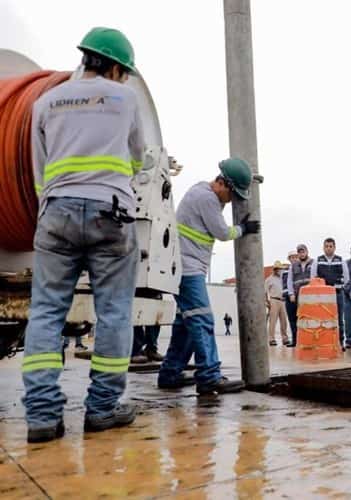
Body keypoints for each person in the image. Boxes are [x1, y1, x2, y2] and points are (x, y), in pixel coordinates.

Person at [23, 27, 143, 443]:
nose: (123, 79)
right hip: (112, 214)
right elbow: (140, 157)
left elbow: (40, 166)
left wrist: (52, 205)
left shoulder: (45, 102)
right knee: (114, 314)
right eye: (122, 72)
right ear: (113, 67)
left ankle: (41, 417)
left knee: (45, 314)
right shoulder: (126, 98)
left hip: (55, 211)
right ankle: (103, 409)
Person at [158, 158, 260, 394]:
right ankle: (209, 377)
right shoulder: (207, 198)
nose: (231, 201)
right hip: (189, 269)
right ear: (222, 184)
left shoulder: (201, 191)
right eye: (233, 194)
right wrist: (243, 229)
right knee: (202, 320)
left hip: (185, 267)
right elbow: (223, 232)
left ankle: (170, 373)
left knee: (186, 324)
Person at [311, 238, 346, 347]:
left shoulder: (340, 260)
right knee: (322, 319)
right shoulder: (317, 260)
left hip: (338, 294)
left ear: (334, 247)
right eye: (326, 246)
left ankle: (340, 342)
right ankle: (324, 342)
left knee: (339, 319)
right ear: (323, 247)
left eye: (331, 246)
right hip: (323, 296)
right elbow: (313, 277)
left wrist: (340, 287)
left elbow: (347, 277)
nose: (328, 248)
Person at [287, 244, 313, 347]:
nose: (301, 254)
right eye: (299, 252)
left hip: (310, 296)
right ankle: (297, 340)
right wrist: (291, 293)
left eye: (303, 251)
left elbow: (315, 277)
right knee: (299, 319)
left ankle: (310, 340)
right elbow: (290, 281)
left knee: (310, 319)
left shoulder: (313, 263)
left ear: (307, 251)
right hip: (298, 296)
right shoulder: (293, 266)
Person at [265, 261, 289, 346]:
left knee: (284, 321)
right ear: (275, 269)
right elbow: (264, 292)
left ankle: (285, 338)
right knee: (273, 321)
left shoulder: (284, 278)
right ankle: (272, 339)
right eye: (279, 269)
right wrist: (267, 302)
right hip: (274, 300)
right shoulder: (269, 279)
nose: (280, 270)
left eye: (281, 269)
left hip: (283, 300)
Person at [282, 250, 299, 346]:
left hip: (299, 298)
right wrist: (287, 295)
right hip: (289, 299)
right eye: (292, 257)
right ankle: (295, 340)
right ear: (289, 259)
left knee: (301, 320)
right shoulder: (285, 270)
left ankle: (302, 340)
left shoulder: (301, 268)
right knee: (292, 320)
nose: (294, 259)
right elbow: (284, 284)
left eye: (295, 257)